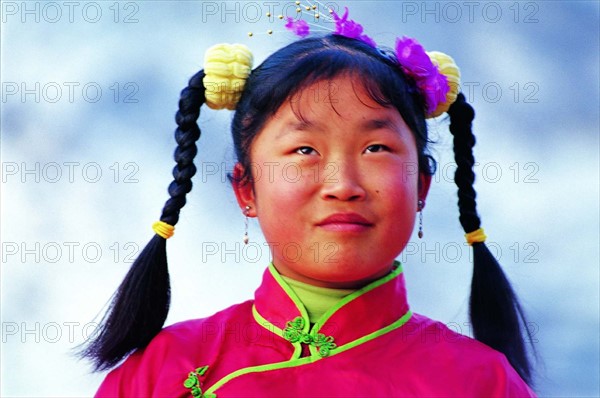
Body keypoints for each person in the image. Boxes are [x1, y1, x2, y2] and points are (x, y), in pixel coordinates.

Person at [83, 5, 536, 397]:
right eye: (304, 150)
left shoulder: (482, 383)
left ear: (421, 188)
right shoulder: (160, 374)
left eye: (376, 148)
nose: (343, 185)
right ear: (246, 190)